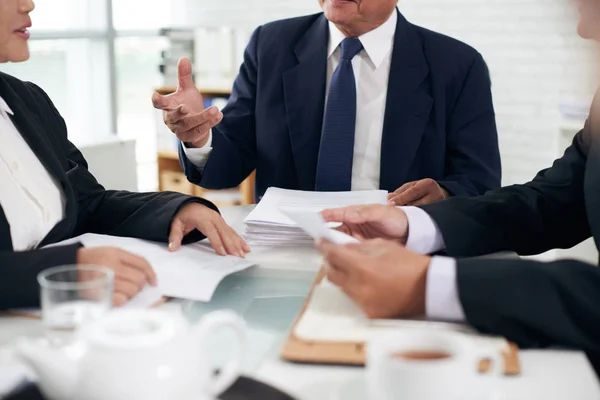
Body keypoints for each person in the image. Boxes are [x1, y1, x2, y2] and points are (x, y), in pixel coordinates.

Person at [317, 0, 600, 370]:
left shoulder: (457, 62)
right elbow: (550, 202)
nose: (581, 27)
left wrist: (431, 285)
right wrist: (418, 224)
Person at [0, 0, 249, 310]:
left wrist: (177, 209)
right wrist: (67, 269)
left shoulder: (29, 101)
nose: (29, 4)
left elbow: (89, 204)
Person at [152, 0, 502, 205]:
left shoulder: (457, 64)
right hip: (287, 251)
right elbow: (226, 167)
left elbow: (480, 183)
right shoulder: (270, 44)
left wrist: (443, 195)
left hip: (399, 252)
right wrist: (199, 137)